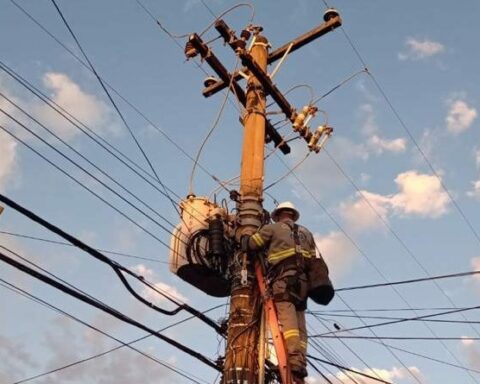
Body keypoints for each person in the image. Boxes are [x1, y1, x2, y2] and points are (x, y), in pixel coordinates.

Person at [241, 201, 315, 383]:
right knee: (299, 325)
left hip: (284, 280)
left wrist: (243, 236)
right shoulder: (307, 233)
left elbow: (252, 244)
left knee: (288, 323)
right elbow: (312, 258)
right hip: (304, 283)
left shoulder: (272, 228)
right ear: (293, 215)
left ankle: (294, 358)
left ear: (278, 214)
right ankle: (300, 360)